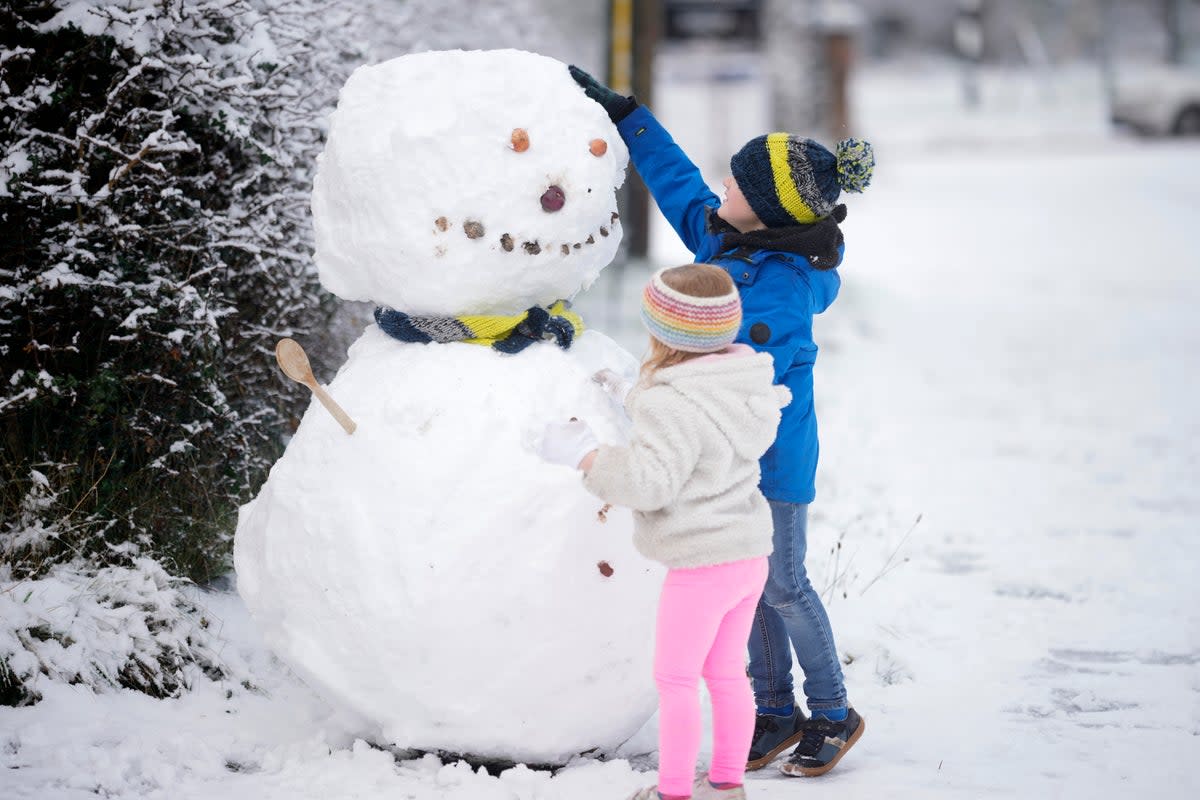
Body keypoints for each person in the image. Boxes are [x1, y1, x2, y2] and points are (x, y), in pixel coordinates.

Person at [568, 65, 873, 778]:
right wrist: (629, 116)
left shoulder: (784, 290)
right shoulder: (725, 243)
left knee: (784, 583)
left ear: (764, 212)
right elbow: (678, 184)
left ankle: (832, 711)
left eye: (735, 185)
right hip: (727, 462)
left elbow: (747, 386)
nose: (721, 191)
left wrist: (662, 400)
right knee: (747, 581)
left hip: (773, 463)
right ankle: (771, 710)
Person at [539, 263, 790, 800]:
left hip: (701, 564)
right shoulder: (741, 382)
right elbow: (695, 422)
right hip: (748, 556)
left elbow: (651, 481)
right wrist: (634, 396)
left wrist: (584, 456)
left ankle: (673, 792)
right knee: (726, 676)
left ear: (664, 331)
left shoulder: (670, 402)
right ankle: (726, 784)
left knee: (677, 681)